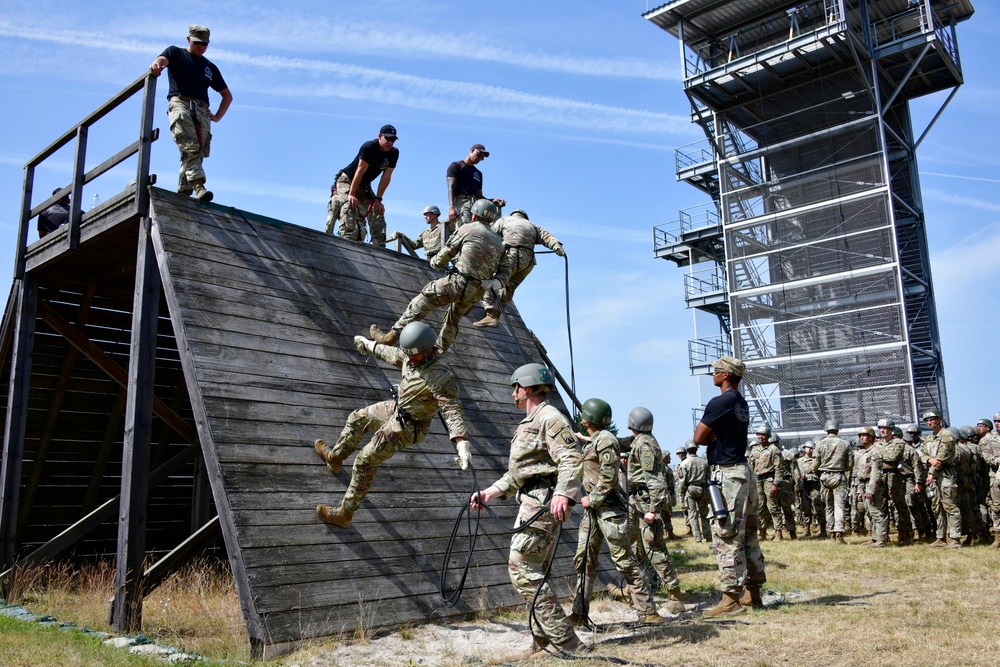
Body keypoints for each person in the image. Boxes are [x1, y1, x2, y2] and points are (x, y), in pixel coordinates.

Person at [469, 363, 586, 658]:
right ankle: (542, 643)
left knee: (522, 568)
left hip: (543, 502)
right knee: (535, 570)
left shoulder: (549, 418)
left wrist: (563, 492)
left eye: (515, 386)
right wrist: (490, 493)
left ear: (528, 386)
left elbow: (571, 457)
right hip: (532, 498)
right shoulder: (530, 421)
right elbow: (522, 472)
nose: (513, 391)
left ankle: (569, 643)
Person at [313, 322, 471, 528]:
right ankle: (335, 458)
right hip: (398, 409)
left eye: (415, 356)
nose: (411, 360)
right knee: (357, 418)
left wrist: (461, 442)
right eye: (409, 356)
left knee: (365, 462)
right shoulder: (410, 355)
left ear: (427, 349)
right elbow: (391, 354)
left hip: (408, 427)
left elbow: (451, 408)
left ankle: (345, 514)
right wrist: (369, 345)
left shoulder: (441, 376)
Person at [369, 199, 511, 353]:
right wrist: (494, 284)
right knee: (453, 320)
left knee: (422, 301)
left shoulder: (468, 229)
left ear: (474, 215)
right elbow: (506, 272)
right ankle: (438, 353)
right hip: (476, 292)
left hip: (457, 283)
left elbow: (449, 250)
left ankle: (389, 338)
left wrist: (436, 262)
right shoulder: (499, 243)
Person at [569, 399, 661, 626]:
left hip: (608, 510)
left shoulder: (606, 440)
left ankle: (649, 612)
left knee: (624, 561)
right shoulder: (598, 439)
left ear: (589, 417)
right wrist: (584, 439)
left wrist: (593, 498)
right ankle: (579, 613)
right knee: (584, 561)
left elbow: (609, 477)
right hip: (594, 512)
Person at [693, 356, 766, 617]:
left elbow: (698, 437)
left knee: (726, 534)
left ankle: (730, 599)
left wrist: (709, 432)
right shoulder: (740, 403)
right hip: (744, 471)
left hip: (728, 473)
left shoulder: (720, 401)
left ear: (725, 375)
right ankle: (753, 593)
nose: (713, 374)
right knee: (748, 534)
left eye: (716, 371)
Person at [150, 25, 232, 203]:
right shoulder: (176, 53)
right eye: (197, 43)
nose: (201, 47)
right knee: (189, 145)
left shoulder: (209, 67)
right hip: (180, 103)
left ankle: (184, 192)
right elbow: (163, 59)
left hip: (202, 110)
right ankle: (198, 186)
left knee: (198, 151)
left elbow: (227, 95)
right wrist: (158, 64)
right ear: (188, 39)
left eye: (205, 44)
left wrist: (217, 116)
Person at [616, 407, 685, 614]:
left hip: (646, 502)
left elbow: (655, 481)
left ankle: (675, 595)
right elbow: (621, 442)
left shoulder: (644, 444)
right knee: (635, 545)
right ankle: (639, 589)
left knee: (654, 547)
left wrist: (654, 510)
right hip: (637, 500)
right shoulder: (639, 440)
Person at [473, 210, 565, 328]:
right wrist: (557, 247)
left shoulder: (505, 220)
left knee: (490, 279)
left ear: (513, 215)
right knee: (509, 288)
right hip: (527, 262)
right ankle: (495, 316)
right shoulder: (533, 225)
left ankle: (490, 313)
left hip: (510, 255)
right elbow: (547, 237)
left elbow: (489, 235)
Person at [333, 124, 399, 246]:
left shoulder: (394, 153)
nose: (390, 142)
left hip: (364, 185)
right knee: (350, 205)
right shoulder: (369, 147)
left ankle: (379, 246)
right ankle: (348, 241)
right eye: (387, 138)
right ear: (380, 136)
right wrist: (352, 194)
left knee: (377, 210)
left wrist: (378, 199)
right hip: (348, 180)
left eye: (393, 140)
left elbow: (386, 177)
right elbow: (359, 171)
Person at [920, 409, 962, 548]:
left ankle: (955, 538)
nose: (929, 422)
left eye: (932, 419)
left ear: (939, 419)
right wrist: (929, 461)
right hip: (934, 477)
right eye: (927, 420)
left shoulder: (947, 435)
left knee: (950, 505)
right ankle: (941, 537)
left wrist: (931, 471)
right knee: (937, 506)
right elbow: (923, 455)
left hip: (945, 475)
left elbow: (941, 458)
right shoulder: (929, 438)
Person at [874, 418, 913, 544]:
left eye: (886, 428)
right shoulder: (878, 444)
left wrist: (879, 458)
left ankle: (906, 533)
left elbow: (893, 458)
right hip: (881, 476)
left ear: (891, 430)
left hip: (894, 476)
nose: (883, 430)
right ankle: (883, 535)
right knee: (882, 505)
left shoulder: (898, 443)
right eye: (881, 428)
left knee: (899, 505)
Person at [447, 144, 504, 226]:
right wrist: (451, 207)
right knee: (465, 228)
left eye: (482, 157)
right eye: (479, 155)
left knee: (479, 228)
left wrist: (491, 201)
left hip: (475, 206)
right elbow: (450, 188)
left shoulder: (478, 174)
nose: (480, 159)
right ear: (472, 150)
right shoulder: (456, 166)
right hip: (461, 204)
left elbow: (479, 196)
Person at [814, 420, 851, 544]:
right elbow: (850, 464)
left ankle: (831, 533)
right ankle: (839, 533)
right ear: (837, 430)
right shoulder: (845, 444)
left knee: (828, 506)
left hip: (824, 477)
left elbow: (815, 464)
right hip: (839, 476)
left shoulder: (819, 444)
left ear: (826, 430)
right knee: (839, 506)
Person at [855, 426, 888, 547]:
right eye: (860, 436)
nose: (862, 438)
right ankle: (875, 538)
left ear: (871, 437)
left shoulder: (875, 451)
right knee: (870, 512)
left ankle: (881, 540)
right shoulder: (865, 452)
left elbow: (876, 472)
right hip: (864, 484)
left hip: (872, 484)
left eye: (864, 435)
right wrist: (860, 490)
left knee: (877, 512)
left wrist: (871, 489)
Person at [387, 205, 455, 262]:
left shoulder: (444, 227)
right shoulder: (425, 233)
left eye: (427, 214)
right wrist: (401, 235)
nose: (425, 217)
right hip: (428, 261)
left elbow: (456, 228)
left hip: (441, 260)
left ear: (435, 214)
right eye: (424, 215)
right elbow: (414, 245)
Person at [748, 424, 779, 540]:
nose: (761, 437)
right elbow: (750, 467)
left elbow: (778, 468)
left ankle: (778, 533)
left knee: (773, 507)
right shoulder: (754, 450)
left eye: (763, 435)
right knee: (760, 507)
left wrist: (775, 484)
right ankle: (762, 533)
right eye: (759, 434)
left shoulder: (774, 450)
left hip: (770, 479)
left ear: (768, 436)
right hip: (757, 480)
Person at [676, 443, 711, 543]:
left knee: (692, 514)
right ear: (696, 449)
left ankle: (698, 538)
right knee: (705, 514)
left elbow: (682, 481)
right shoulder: (704, 462)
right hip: (702, 489)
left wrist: (681, 494)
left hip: (690, 489)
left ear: (687, 450)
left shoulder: (684, 463)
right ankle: (708, 536)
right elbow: (708, 477)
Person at [798, 441, 826, 538]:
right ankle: (807, 530)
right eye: (807, 448)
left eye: (811, 448)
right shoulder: (799, 461)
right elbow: (797, 474)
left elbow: (819, 476)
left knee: (818, 507)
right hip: (804, 487)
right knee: (805, 508)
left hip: (815, 487)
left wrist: (807, 477)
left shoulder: (817, 461)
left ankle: (822, 529)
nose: (809, 450)